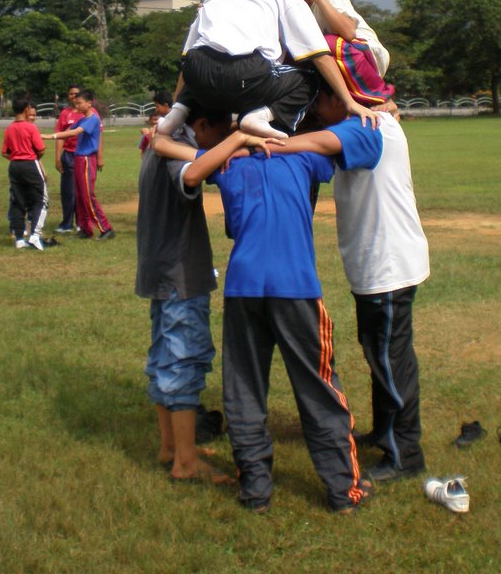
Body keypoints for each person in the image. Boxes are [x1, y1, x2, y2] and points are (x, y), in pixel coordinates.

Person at [154, 126, 371, 514]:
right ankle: (343, 490)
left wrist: (234, 142)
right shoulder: (303, 156)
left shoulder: (227, 162)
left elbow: (167, 147)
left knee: (244, 390)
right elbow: (341, 147)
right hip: (296, 287)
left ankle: (255, 490)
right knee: (318, 388)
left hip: (244, 287)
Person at [267, 85, 430, 483]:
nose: (316, 111)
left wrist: (267, 140)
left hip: (387, 266)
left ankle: (405, 455)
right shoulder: (371, 121)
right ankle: (383, 432)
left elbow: (315, 141)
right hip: (377, 265)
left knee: (391, 361)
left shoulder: (367, 127)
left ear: (341, 97)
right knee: (381, 354)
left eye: (319, 101)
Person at [157, 0, 377, 141]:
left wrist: (177, 102)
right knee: (309, 77)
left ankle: (176, 114)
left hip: (200, 73)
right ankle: (261, 116)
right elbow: (320, 55)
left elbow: (186, 60)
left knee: (202, 58)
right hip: (245, 74)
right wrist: (349, 102)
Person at [136, 103, 233, 484]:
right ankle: (186, 462)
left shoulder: (159, 141)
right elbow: (192, 174)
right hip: (180, 274)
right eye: (220, 132)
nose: (222, 140)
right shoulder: (177, 148)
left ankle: (173, 446)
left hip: (160, 270)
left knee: (163, 356)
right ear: (202, 124)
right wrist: (238, 141)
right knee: (183, 359)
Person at [46, 90, 114, 240]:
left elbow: (74, 132)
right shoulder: (83, 119)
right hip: (78, 158)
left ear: (89, 103)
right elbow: (67, 130)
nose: (76, 106)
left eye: (79, 103)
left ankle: (106, 228)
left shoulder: (93, 119)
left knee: (87, 196)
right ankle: (85, 229)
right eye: (75, 103)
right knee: (79, 196)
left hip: (87, 159)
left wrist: (49, 136)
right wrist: (56, 137)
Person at [2, 93, 50, 251]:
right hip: (30, 164)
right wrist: (32, 157)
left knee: (17, 202)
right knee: (41, 200)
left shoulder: (9, 129)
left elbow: (4, 152)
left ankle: (19, 239)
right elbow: (41, 149)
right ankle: (35, 235)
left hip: (14, 166)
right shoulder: (31, 127)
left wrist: (16, 157)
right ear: (26, 109)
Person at [54, 85, 81, 232]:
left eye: (77, 94)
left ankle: (81, 223)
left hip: (83, 155)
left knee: (82, 190)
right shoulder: (65, 114)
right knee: (68, 191)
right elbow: (59, 137)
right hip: (69, 155)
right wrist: (58, 157)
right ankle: (67, 223)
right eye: (71, 94)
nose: (74, 96)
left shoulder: (88, 113)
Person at [138, 89, 173, 156]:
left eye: (157, 106)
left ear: (166, 105)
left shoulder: (170, 121)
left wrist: (150, 133)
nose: (156, 110)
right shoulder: (168, 119)